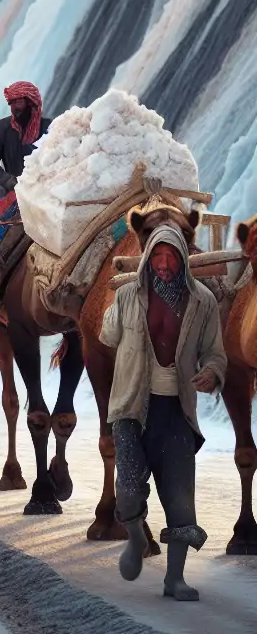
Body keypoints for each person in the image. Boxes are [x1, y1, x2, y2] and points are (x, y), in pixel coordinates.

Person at [101, 224, 226, 602]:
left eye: (172, 256)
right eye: (157, 255)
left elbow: (216, 353)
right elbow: (106, 338)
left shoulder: (202, 301)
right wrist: (112, 306)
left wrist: (212, 372)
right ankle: (136, 531)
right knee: (127, 490)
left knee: (180, 498)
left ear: (184, 260)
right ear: (147, 259)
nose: (165, 264)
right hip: (130, 407)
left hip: (176, 411)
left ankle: (175, 579)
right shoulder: (126, 297)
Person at [0, 81, 52, 212]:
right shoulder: (1, 128)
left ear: (31, 102)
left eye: (18, 102)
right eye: (11, 103)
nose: (14, 108)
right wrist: (9, 181)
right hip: (10, 188)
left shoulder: (50, 128)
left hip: (45, 187)